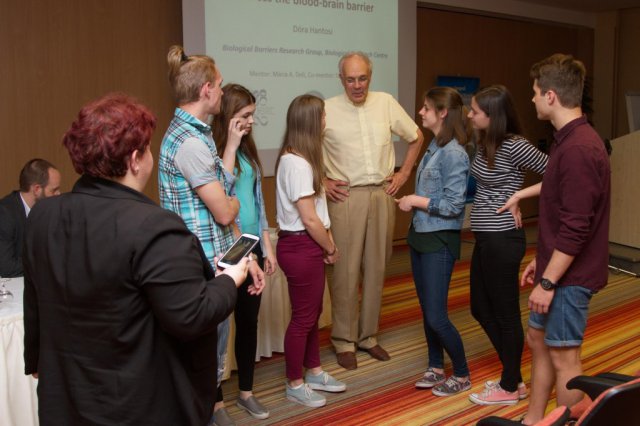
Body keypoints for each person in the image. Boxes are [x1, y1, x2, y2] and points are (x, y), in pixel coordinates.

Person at [22, 93, 249, 425]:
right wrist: (229, 279)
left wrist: (36, 359)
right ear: (134, 159)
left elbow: (36, 300)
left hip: (67, 397)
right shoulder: (153, 226)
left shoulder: (43, 215)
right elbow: (193, 315)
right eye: (147, 148)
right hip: (135, 403)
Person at [158, 45, 265, 426]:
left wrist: (247, 258)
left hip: (216, 259)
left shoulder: (197, 135)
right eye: (219, 86)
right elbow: (224, 209)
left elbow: (223, 214)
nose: (221, 91)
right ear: (206, 90)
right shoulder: (190, 143)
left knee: (210, 362)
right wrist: (232, 201)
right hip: (201, 268)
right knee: (204, 366)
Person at [519, 54, 610, 425]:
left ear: (552, 96)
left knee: (565, 359)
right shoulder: (566, 141)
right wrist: (542, 260)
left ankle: (569, 422)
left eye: (536, 92)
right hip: (557, 270)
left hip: (569, 280)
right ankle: (534, 421)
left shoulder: (578, 148)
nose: (533, 99)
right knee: (538, 344)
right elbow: (562, 214)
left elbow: (577, 227)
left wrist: (547, 280)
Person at [323, 51, 424, 370]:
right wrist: (321, 180)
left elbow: (416, 136)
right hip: (344, 197)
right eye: (350, 79)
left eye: (362, 78)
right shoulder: (325, 108)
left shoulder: (385, 102)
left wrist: (404, 173)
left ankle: (368, 337)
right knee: (345, 271)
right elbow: (303, 148)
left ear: (371, 76)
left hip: (381, 193)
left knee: (377, 267)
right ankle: (343, 339)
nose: (357, 85)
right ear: (341, 79)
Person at [464, 85, 548, 406]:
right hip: (485, 237)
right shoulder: (484, 140)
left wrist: (519, 196)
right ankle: (514, 377)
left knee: (506, 313)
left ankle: (509, 385)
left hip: (503, 238)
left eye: (475, 111)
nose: (470, 115)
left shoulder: (515, 145)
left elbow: (558, 170)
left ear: (492, 116)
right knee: (479, 308)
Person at [396, 87, 471, 397]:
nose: (420, 113)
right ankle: (436, 366)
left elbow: (454, 205)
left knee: (437, 315)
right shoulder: (434, 147)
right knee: (428, 309)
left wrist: (415, 199)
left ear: (442, 113)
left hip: (439, 240)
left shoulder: (454, 152)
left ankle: (463, 373)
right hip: (421, 237)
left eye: (426, 108)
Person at [211, 83, 277, 420]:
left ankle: (246, 393)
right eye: (244, 116)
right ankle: (217, 401)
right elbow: (222, 194)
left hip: (252, 246)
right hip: (227, 249)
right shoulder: (213, 151)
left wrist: (267, 247)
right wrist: (231, 145)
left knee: (248, 322)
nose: (250, 122)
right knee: (218, 328)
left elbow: (258, 204)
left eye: (251, 115)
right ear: (227, 117)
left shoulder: (249, 151)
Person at [276, 94, 346, 408]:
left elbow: (316, 211)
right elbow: (309, 218)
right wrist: (330, 246)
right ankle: (294, 382)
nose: (326, 122)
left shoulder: (301, 159)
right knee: (303, 318)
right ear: (311, 122)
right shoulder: (296, 163)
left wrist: (326, 244)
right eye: (323, 116)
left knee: (312, 313)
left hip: (306, 245)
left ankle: (314, 370)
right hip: (300, 245)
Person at [0, 159, 61, 277]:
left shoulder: (48, 210)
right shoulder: (5, 214)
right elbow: (6, 267)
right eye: (54, 190)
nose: (59, 194)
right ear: (37, 189)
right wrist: (46, 263)